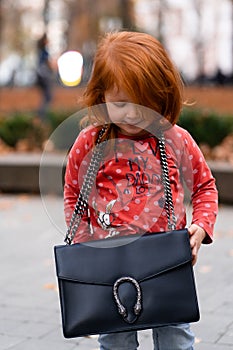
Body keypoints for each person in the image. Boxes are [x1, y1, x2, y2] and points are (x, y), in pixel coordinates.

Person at [64, 31, 218, 350]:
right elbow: (74, 194)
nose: (133, 114)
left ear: (162, 95)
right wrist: (84, 244)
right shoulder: (91, 143)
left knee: (176, 339)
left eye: (144, 103)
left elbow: (204, 186)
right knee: (116, 340)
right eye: (120, 103)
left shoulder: (175, 139)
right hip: (110, 264)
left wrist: (201, 227)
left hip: (168, 262)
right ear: (101, 95)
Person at [36, 33, 53, 120]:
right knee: (48, 96)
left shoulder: (40, 51)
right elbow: (47, 63)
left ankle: (42, 113)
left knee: (47, 96)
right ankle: (42, 114)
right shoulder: (44, 52)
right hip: (44, 76)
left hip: (40, 76)